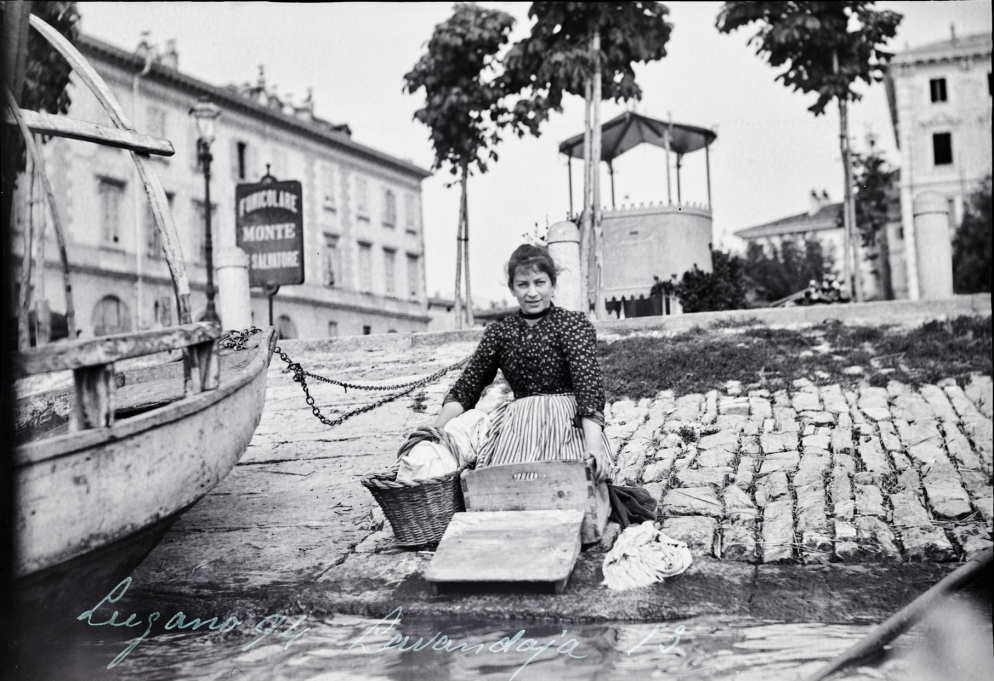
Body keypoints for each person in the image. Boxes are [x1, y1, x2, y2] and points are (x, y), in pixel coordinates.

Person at [433, 243, 614, 483]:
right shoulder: (501, 333)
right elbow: (467, 388)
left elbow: (587, 388)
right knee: (511, 487)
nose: (532, 292)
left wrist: (593, 447)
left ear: (553, 285)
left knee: (569, 483)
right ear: (512, 288)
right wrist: (434, 432)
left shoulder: (572, 325)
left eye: (539, 282)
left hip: (567, 427)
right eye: (523, 284)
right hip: (519, 430)